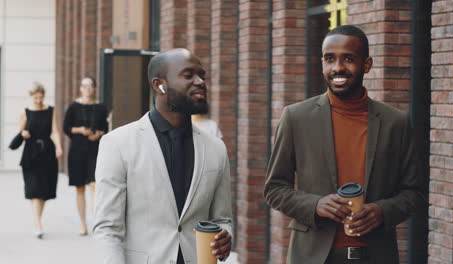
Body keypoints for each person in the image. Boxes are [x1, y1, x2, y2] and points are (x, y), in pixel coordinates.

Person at [264, 25, 425, 264]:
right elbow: (274, 189)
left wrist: (382, 211)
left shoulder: (396, 123)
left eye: (348, 59)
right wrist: (315, 204)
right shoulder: (296, 118)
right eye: (330, 59)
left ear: (367, 65)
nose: (338, 68)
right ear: (322, 63)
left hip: (376, 256)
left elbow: (415, 193)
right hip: (312, 257)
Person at [93, 48, 233, 264]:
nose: (200, 82)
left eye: (201, 76)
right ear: (159, 84)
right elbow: (107, 229)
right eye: (188, 75)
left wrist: (225, 235)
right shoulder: (117, 144)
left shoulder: (216, 149)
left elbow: (222, 218)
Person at [63, 77, 108, 236]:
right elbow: (66, 128)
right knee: (80, 188)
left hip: (95, 150)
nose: (87, 88)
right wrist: (80, 130)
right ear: (80, 88)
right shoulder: (73, 107)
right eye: (84, 86)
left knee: (94, 185)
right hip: (77, 151)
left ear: (94, 88)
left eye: (90, 86)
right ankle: (83, 225)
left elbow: (105, 128)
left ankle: (97, 222)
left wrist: (98, 134)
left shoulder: (101, 107)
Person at [18, 83, 62, 239]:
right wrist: (23, 134)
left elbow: (55, 131)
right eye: (35, 98)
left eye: (41, 97)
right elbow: (20, 133)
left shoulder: (51, 110)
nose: (38, 100)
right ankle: (38, 224)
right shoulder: (25, 112)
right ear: (31, 97)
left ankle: (37, 221)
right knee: (35, 188)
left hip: (47, 153)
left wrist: (58, 147)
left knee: (43, 191)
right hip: (30, 154)